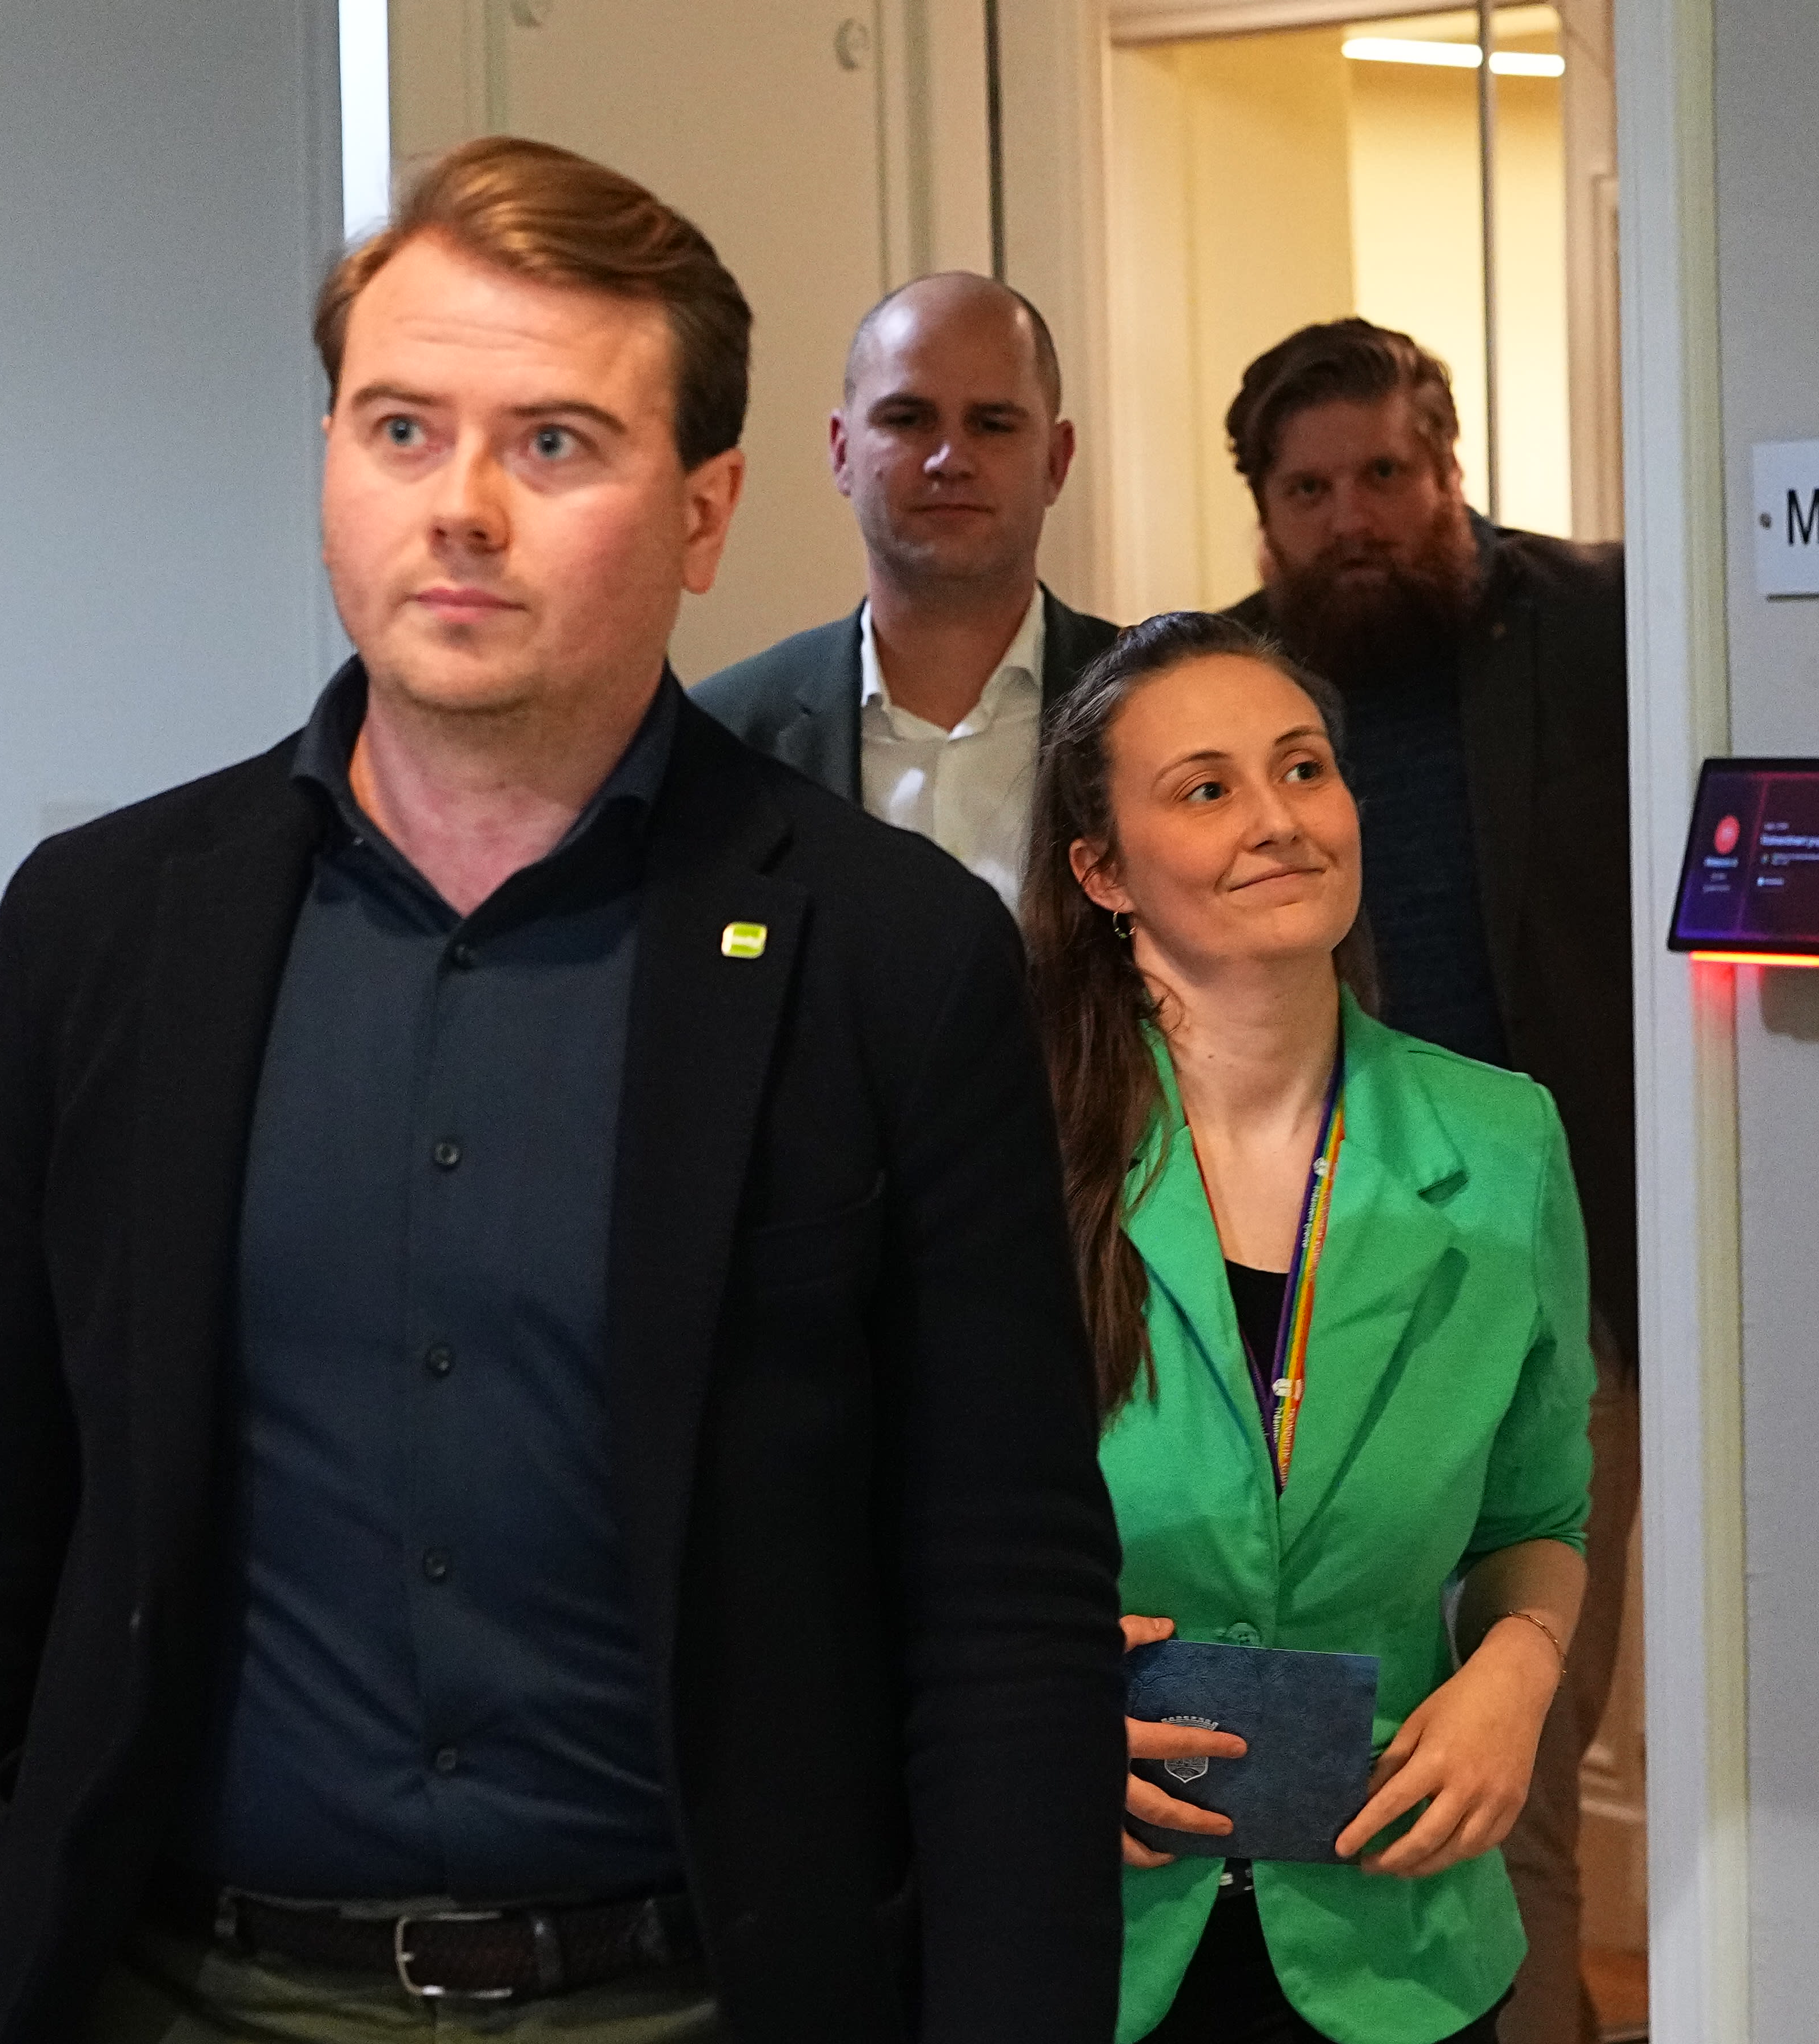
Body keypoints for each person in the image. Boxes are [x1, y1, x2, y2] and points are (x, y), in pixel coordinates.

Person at [0, 137, 1125, 2044]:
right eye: (401, 430)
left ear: (707, 511)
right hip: (185, 1991)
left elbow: (1004, 1608)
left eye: (554, 444)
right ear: (331, 457)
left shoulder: (885, 956)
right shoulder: (108, 931)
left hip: (695, 1998)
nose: (461, 508)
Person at [1021, 610, 1594, 2044]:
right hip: (1073, 1917)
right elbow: (861, 1520)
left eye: (1301, 768)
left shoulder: (1502, 1142)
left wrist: (1515, 1673)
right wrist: (1013, 1702)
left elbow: (1538, 1515)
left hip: (1393, 1929)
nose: (1277, 820)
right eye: (1205, 788)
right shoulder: (994, 1141)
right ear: (1101, 869)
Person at [1221, 321, 1637, 2044]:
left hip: (1554, 1280)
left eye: (1383, 475)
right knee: (1312, 1770)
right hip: (1291, 1293)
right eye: (1308, 490)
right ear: (1263, 512)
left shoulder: (1610, 625)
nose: (1353, 520)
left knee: (1511, 1758)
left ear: (1447, 467)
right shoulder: (1226, 696)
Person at [695, 271, 1120, 909]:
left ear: (1057, 462)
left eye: (992, 424)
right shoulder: (720, 741)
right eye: (907, 419)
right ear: (842, 451)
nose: (950, 459)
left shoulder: (1160, 709)